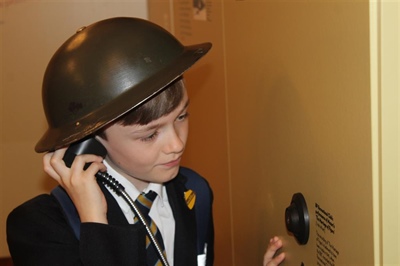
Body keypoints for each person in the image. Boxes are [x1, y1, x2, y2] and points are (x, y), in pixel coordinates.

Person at [6, 17, 284, 266]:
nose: (176, 144)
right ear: (89, 142)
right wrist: (95, 222)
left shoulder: (195, 193)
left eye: (182, 116)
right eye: (150, 134)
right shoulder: (41, 227)